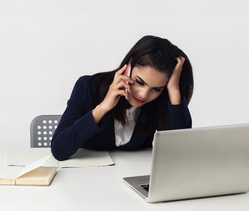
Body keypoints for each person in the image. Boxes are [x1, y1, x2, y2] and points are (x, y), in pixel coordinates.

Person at [51, 35, 194, 161]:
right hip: (88, 180)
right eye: (139, 82)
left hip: (133, 178)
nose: (144, 94)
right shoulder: (88, 86)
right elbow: (59, 150)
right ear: (128, 67)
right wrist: (103, 107)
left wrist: (174, 91)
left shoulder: (160, 101)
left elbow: (181, 153)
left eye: (156, 89)